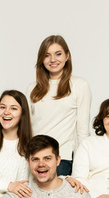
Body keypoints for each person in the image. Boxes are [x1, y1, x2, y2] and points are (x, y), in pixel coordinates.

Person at [27, 35, 91, 176]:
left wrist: (83, 169)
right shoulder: (32, 88)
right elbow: (27, 128)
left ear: (67, 56)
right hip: (35, 158)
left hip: (61, 159)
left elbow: (82, 131)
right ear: (41, 59)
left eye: (58, 54)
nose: (53, 60)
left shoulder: (79, 85)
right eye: (47, 55)